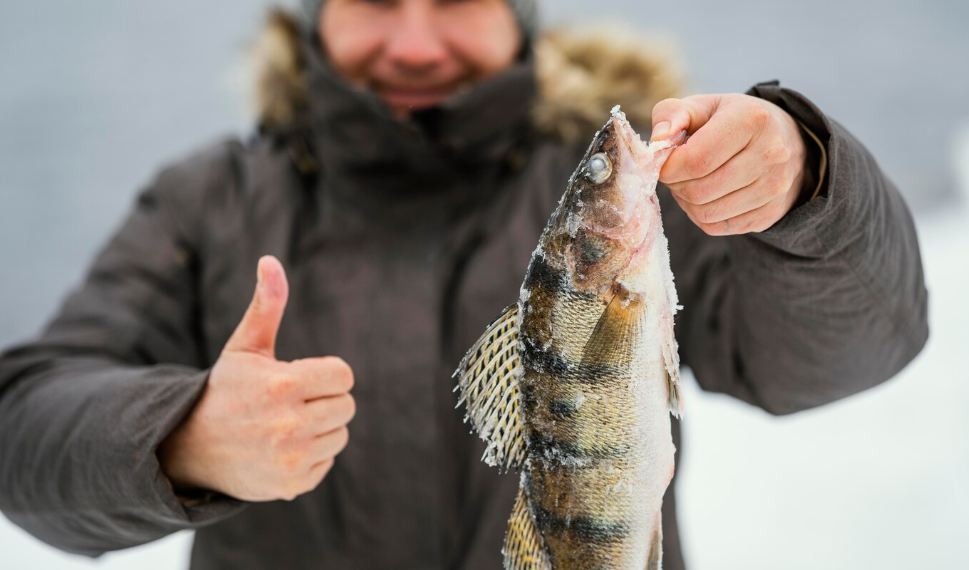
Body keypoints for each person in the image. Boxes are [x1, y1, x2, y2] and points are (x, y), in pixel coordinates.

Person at [0, 1, 929, 569]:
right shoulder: (207, 201)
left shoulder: (643, 207)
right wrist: (181, 436)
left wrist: (808, 187)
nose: (414, 41)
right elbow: (23, 429)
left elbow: (849, 349)